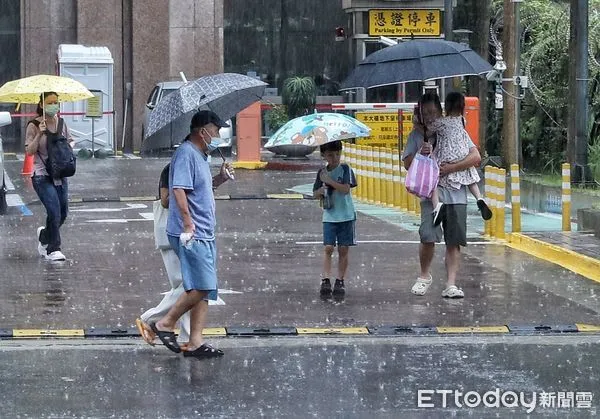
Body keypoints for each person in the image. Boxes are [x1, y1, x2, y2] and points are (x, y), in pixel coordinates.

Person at [150, 110, 232, 359]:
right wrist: (187, 224)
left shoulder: (201, 156)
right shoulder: (186, 153)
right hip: (192, 232)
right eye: (215, 130)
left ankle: (196, 342)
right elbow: (178, 190)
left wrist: (220, 177)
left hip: (204, 231)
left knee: (206, 289)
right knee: (202, 285)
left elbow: (201, 190)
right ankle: (165, 323)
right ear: (202, 130)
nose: (218, 135)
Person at [402, 92, 481, 299]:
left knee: (454, 240)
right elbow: (408, 165)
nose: (430, 116)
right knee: (428, 236)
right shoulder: (416, 135)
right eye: (426, 112)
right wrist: (421, 152)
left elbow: (475, 157)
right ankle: (424, 276)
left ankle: (451, 284)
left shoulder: (455, 129)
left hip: (457, 194)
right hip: (431, 195)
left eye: (434, 112)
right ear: (419, 112)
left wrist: (451, 167)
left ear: (441, 111)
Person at [426, 92, 492, 225]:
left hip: (448, 155)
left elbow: (428, 130)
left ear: (447, 107)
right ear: (462, 107)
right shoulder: (462, 120)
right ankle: (479, 198)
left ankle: (437, 206)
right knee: (470, 179)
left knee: (433, 178)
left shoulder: (441, 122)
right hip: (462, 155)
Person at [25, 92, 73, 261]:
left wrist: (68, 147)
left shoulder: (61, 123)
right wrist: (40, 134)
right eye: (50, 102)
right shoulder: (34, 125)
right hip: (41, 175)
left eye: (56, 102)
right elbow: (29, 151)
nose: (54, 105)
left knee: (63, 212)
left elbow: (70, 141)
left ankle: (44, 236)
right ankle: (53, 249)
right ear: (42, 104)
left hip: (60, 173)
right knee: (54, 211)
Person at [313, 140, 357, 297]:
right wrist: (321, 189)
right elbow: (314, 194)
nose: (335, 158)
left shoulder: (345, 169)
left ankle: (340, 280)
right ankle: (325, 279)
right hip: (330, 215)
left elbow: (345, 189)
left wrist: (330, 182)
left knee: (344, 248)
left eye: (338, 154)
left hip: (346, 215)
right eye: (330, 155)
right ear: (323, 155)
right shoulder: (321, 173)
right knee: (328, 247)